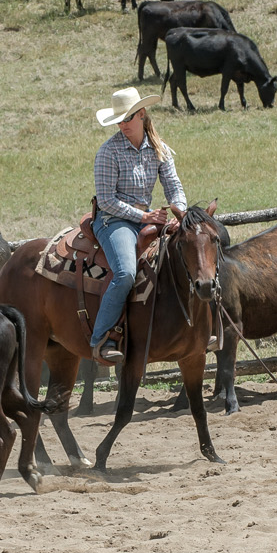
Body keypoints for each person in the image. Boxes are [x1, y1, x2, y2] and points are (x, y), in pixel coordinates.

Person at [89, 86, 188, 364]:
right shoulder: (108, 152)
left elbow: (174, 188)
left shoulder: (159, 149)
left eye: (127, 118)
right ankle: (101, 338)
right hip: (114, 221)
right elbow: (107, 201)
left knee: (191, 256)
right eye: (118, 120)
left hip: (147, 219)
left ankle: (194, 327)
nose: (122, 125)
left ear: (142, 114)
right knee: (125, 273)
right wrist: (144, 217)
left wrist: (181, 214)